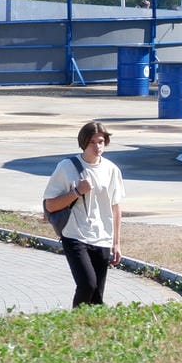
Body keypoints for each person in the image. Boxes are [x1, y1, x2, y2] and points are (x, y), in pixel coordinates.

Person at [42, 121, 126, 306]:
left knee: (97, 296)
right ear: (83, 143)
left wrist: (116, 242)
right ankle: (74, 324)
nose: (97, 147)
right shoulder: (66, 167)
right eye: (92, 142)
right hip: (75, 235)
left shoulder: (111, 170)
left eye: (101, 142)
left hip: (102, 237)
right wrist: (76, 192)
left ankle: (90, 330)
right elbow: (50, 205)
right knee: (87, 285)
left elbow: (115, 207)